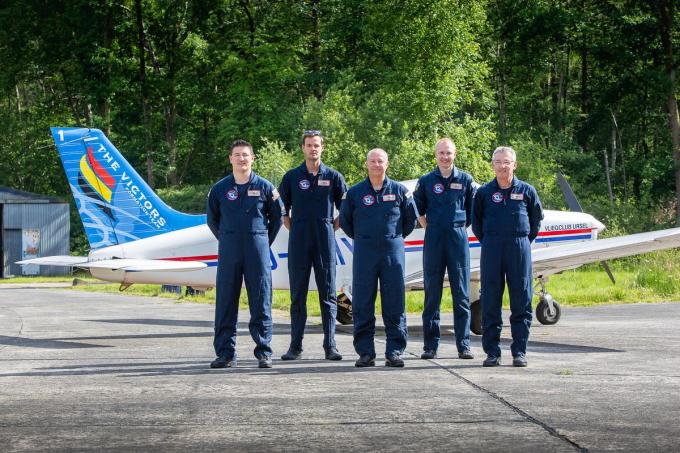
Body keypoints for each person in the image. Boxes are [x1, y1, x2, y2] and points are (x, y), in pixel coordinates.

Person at [207, 139, 285, 369]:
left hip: (257, 249)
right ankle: (225, 354)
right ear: (230, 159)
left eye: (245, 155)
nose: (242, 159)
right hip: (229, 249)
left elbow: (277, 219)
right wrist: (227, 238)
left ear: (253, 158)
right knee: (225, 301)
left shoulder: (266, 188)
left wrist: (262, 241)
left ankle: (264, 352)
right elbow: (212, 220)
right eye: (237, 155)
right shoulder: (219, 189)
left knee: (261, 300)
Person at [339, 148, 417, 367]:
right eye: (372, 161)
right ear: (366, 164)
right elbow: (345, 221)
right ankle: (366, 352)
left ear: (387, 164)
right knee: (363, 302)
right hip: (365, 251)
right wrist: (364, 237)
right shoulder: (354, 193)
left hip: (392, 251)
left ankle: (394, 352)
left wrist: (392, 237)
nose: (376, 165)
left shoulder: (400, 191)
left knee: (394, 301)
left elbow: (410, 221)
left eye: (380, 161)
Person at [277, 130, 347, 361]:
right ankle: (295, 346)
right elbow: (281, 208)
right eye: (309, 145)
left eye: (316, 145)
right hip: (299, 241)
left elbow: (345, 209)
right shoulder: (291, 177)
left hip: (324, 241)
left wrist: (330, 226)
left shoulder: (334, 176)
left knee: (328, 295)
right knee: (298, 296)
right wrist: (293, 226)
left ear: (322, 148)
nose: (313, 149)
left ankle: (330, 346)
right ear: (303, 148)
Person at [471, 146, 543, 367]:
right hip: (492, 247)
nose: (503, 166)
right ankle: (492, 353)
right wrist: (491, 240)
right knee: (490, 301)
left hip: (519, 247)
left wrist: (521, 241)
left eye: (507, 162)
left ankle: (519, 352)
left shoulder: (527, 191)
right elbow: (477, 223)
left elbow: (535, 221)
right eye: (498, 162)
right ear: (492, 165)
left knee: (521, 300)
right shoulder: (483, 193)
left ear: (515, 165)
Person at [414, 138, 475, 360]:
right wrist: (431, 228)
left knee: (461, 294)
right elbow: (418, 209)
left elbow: (472, 211)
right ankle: (430, 346)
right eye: (441, 153)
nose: (445, 157)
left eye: (448, 153)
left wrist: (456, 227)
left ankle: (464, 345)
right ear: (435, 155)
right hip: (434, 239)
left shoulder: (466, 180)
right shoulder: (426, 181)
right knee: (432, 294)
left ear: (455, 154)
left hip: (458, 239)